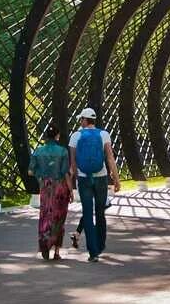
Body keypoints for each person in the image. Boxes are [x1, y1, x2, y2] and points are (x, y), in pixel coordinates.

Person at [68, 107, 120, 263]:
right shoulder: (104, 134)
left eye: (81, 119)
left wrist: (75, 182)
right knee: (100, 212)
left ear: (84, 120)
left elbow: (73, 163)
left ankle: (93, 252)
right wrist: (116, 179)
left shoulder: (75, 136)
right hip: (101, 177)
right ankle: (101, 244)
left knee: (88, 214)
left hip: (84, 179)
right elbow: (110, 158)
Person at [27, 124, 72, 261]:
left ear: (47, 136)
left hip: (45, 187)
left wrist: (42, 176)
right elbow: (66, 173)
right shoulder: (63, 151)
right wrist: (70, 190)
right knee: (59, 218)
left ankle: (44, 244)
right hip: (60, 188)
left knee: (45, 215)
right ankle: (56, 252)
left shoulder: (38, 151)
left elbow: (30, 171)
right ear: (57, 136)